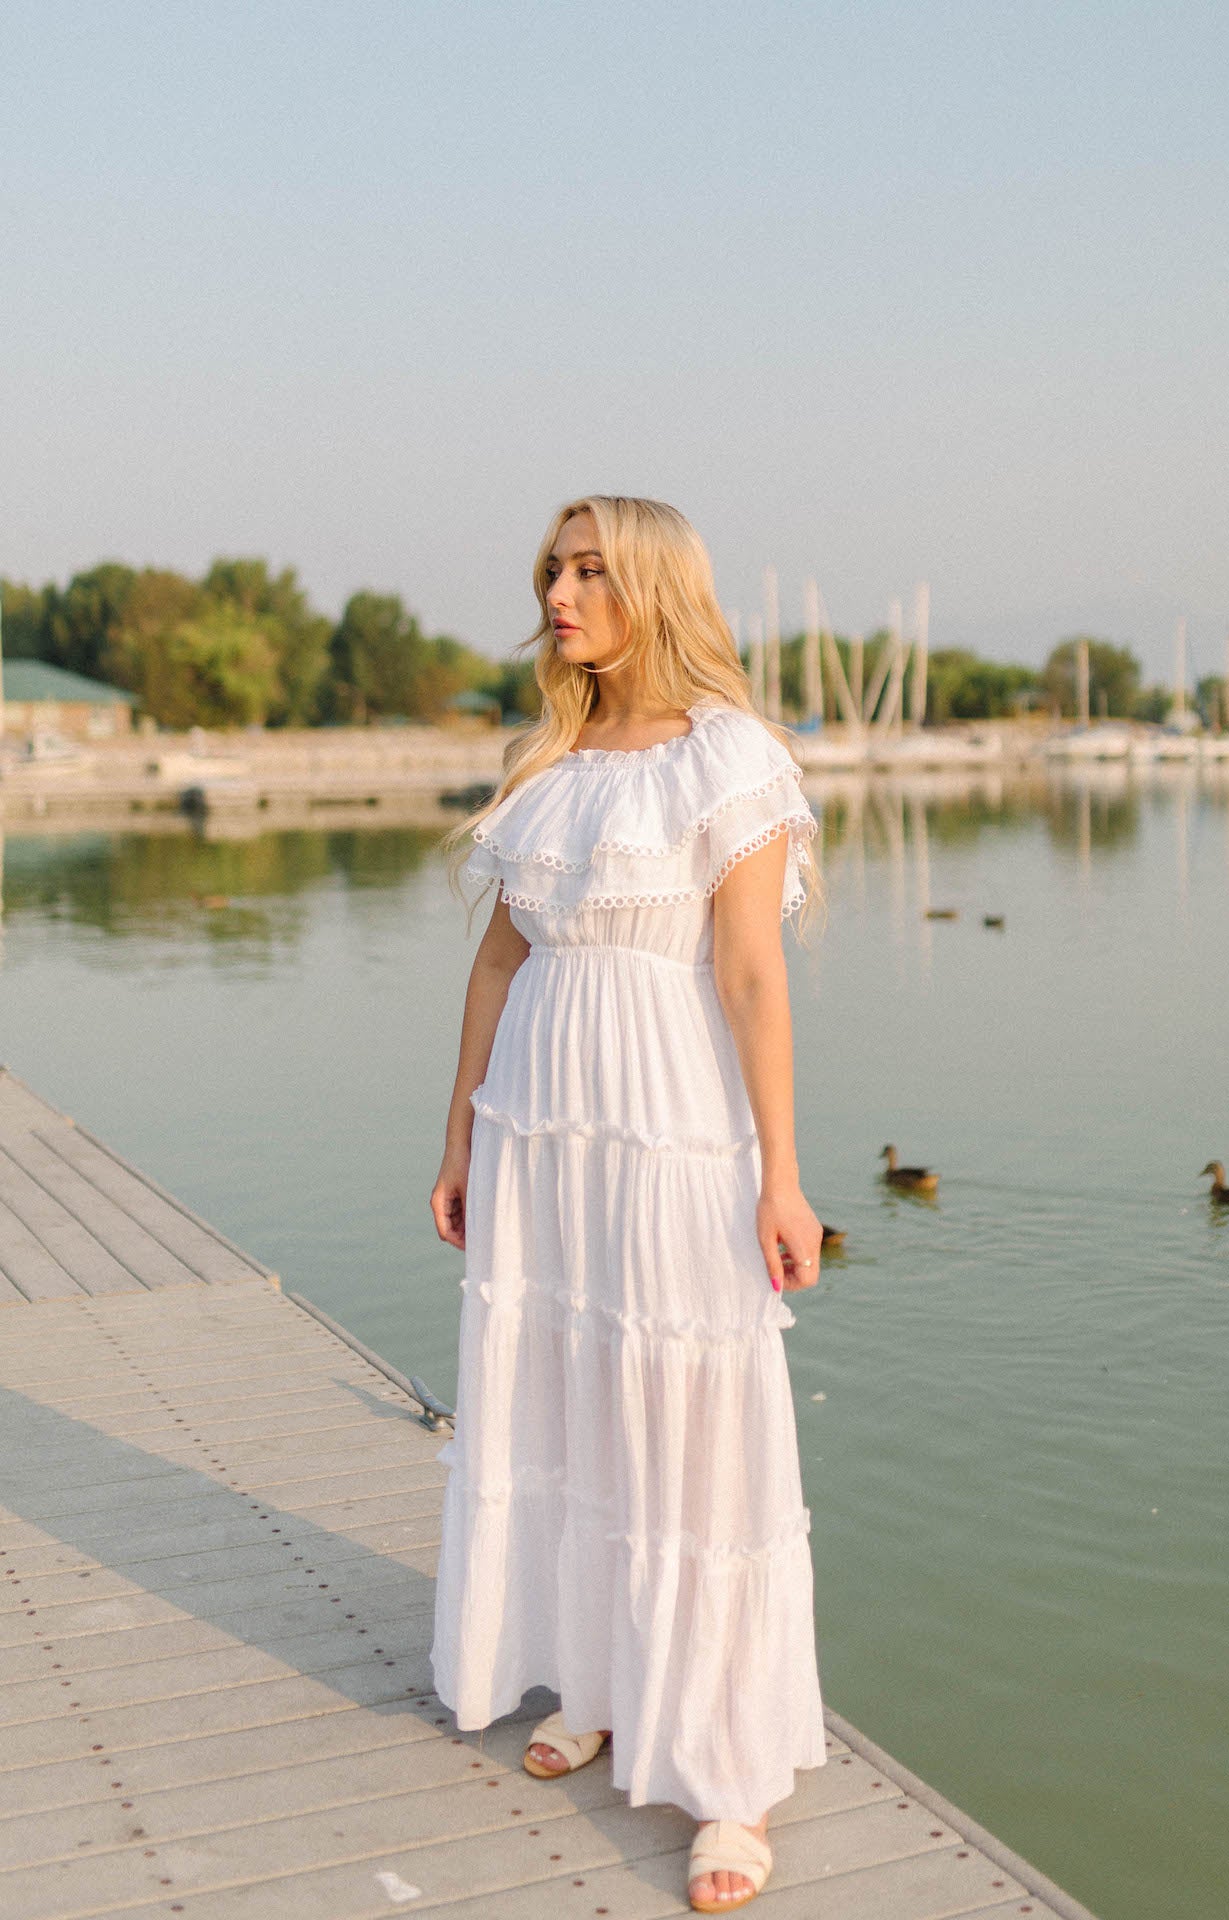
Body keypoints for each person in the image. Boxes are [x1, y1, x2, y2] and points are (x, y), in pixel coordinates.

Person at [429, 495, 827, 1912]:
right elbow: (493, 965)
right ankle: (596, 1675)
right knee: (568, 1397)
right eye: (550, 565)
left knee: (690, 1420)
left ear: (653, 587)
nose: (558, 590)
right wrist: (461, 1139)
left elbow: (751, 977)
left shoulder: (728, 758)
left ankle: (729, 1777)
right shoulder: (552, 762)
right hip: (540, 1126)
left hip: (666, 1123)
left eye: (589, 568)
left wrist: (780, 1172)